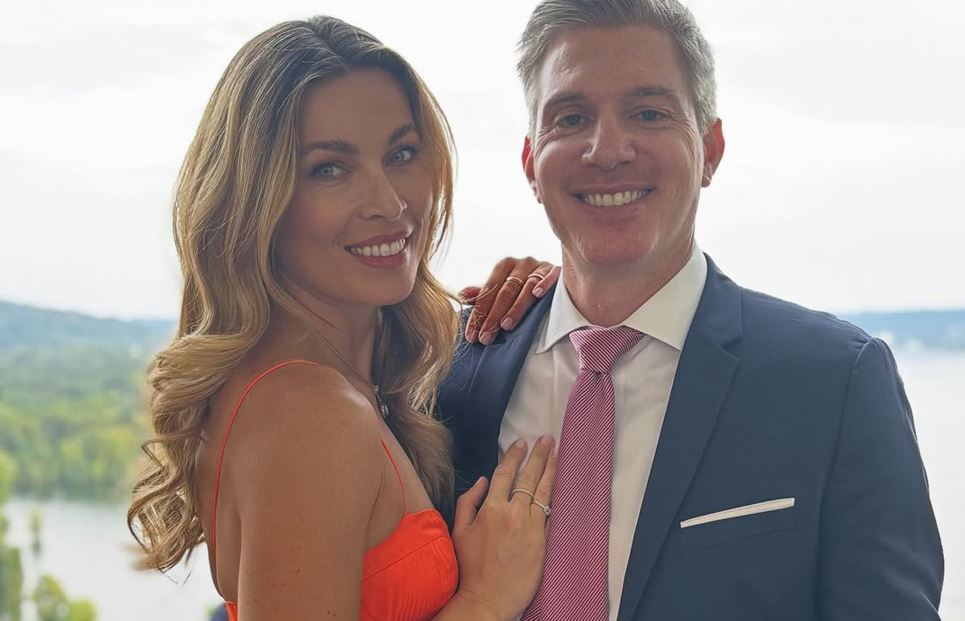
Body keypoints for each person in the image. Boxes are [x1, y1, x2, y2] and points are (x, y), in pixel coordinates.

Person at [440, 1, 944, 619]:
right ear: (530, 165)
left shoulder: (837, 382)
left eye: (648, 112)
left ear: (710, 149)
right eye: (571, 118)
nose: (607, 150)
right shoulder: (451, 374)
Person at [127, 16, 561, 621]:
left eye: (401, 154)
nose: (389, 202)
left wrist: (549, 295)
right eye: (330, 169)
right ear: (258, 201)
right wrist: (485, 601)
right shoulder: (311, 412)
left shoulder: (333, 387)